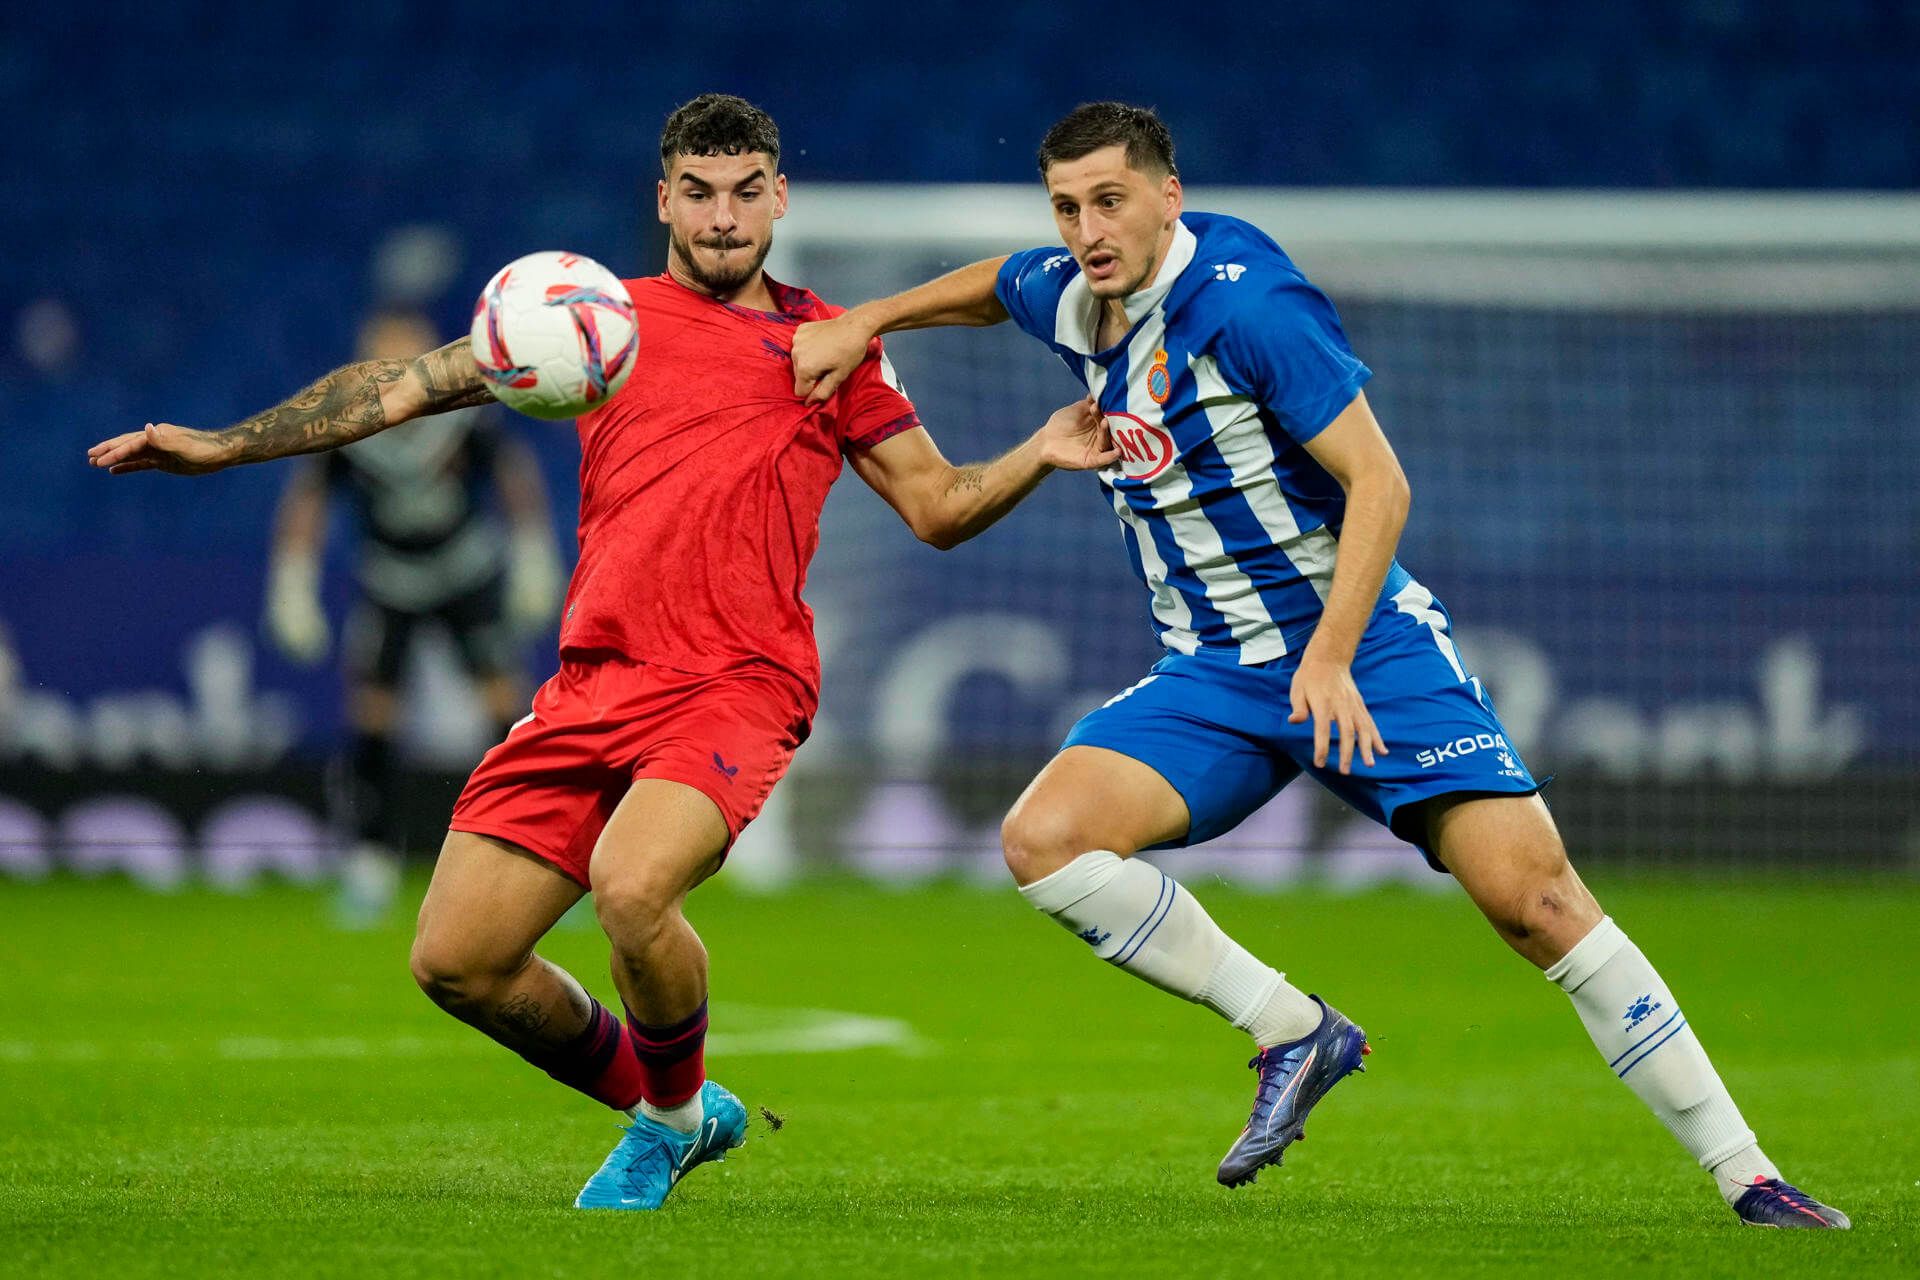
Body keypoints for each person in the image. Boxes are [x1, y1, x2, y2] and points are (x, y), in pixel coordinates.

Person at [790, 101, 1848, 1230]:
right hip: (1213, 671)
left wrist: (1332, 658)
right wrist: (868, 319)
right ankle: (1294, 1028)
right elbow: (999, 282)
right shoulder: (1072, 293)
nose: (1088, 231)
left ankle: (1749, 1173)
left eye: (1110, 201)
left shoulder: (1250, 305)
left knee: (1535, 901)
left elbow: (1381, 483)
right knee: (1044, 840)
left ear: (1168, 197)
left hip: (1364, 650)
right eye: (1066, 207)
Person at [88, 93, 1116, 1211]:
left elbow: (938, 506)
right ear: (663, 199)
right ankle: (679, 1104)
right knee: (457, 959)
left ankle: (664, 1125)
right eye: (698, 193)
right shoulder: (589, 320)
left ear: (780, 198)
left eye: (746, 193)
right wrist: (226, 447)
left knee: (632, 888)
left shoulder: (830, 348)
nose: (722, 218)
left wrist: (1039, 449)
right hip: (595, 680)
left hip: (735, 683)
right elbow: (402, 386)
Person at [265, 305, 563, 925]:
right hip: (390, 579)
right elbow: (309, 494)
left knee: (506, 708)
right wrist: (292, 580)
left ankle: (536, 856)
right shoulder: (348, 424)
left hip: (465, 570)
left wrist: (533, 552)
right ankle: (371, 861)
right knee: (373, 714)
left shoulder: (460, 413)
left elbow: (513, 473)